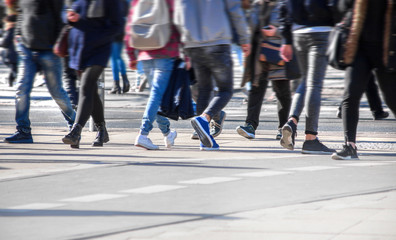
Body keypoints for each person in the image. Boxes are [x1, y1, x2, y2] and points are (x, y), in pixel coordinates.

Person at [174, 0, 251, 151]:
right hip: (217, 41)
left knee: (204, 89)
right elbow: (235, 10)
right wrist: (244, 39)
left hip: (193, 44)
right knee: (225, 89)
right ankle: (205, 118)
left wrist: (183, 45)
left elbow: (177, 17)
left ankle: (205, 139)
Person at [332, 0, 396, 160]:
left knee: (392, 98)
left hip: (387, 49)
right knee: (350, 94)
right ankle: (349, 146)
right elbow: (341, 6)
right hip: (359, 47)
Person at [4, 0, 76, 144]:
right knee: (21, 89)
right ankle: (23, 131)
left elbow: (60, 20)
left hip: (49, 51)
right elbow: (21, 15)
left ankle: (75, 124)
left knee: (56, 91)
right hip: (26, 49)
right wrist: (18, 36)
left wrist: (56, 45)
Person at [62, 0, 124, 148]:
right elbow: (66, 14)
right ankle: (102, 131)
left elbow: (117, 24)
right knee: (91, 92)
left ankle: (76, 132)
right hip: (79, 51)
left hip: (98, 51)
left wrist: (96, 37)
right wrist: (68, 17)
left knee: (85, 88)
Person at [278, 0, 336, 154]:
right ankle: (310, 139)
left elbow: (284, 5)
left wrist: (286, 39)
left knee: (306, 80)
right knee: (314, 84)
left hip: (298, 32)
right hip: (321, 30)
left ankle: (292, 121)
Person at [237, 0, 299, 140]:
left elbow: (292, 26)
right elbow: (250, 26)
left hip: (278, 53)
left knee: (282, 91)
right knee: (255, 88)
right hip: (260, 54)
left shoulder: (285, 3)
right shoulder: (258, 4)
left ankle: (284, 128)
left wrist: (275, 32)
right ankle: (250, 126)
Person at [125, 0, 180, 150]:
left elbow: (130, 26)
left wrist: (131, 55)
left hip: (145, 52)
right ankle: (143, 134)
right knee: (157, 95)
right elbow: (178, 23)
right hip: (165, 52)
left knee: (156, 97)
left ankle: (167, 133)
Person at [108, 0, 130, 95]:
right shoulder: (125, 1)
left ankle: (116, 85)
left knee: (114, 58)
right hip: (122, 29)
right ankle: (125, 80)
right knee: (119, 57)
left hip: (113, 30)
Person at [0, 14, 18, 87]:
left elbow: (4, 43)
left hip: (12, 55)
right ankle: (12, 82)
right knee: (15, 70)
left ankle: (11, 83)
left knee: (14, 70)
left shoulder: (11, 30)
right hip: (18, 54)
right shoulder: (20, 29)